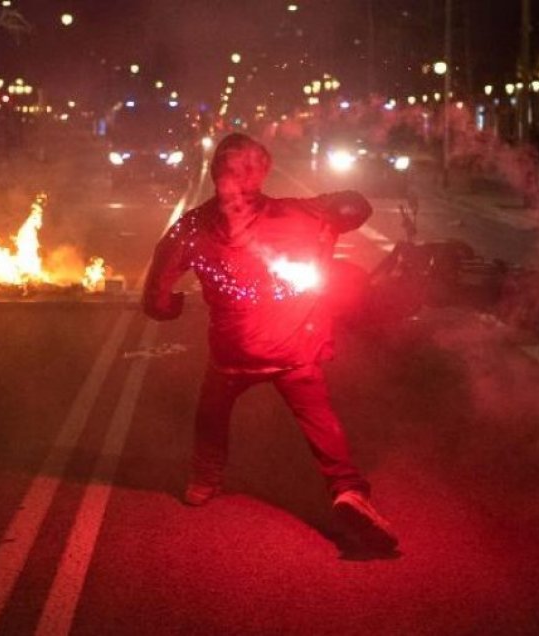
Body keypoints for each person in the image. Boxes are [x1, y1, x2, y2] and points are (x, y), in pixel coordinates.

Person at [142, 133, 397, 552]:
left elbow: (155, 300)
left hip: (231, 354)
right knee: (319, 418)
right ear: (262, 173)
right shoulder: (301, 213)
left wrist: (172, 308)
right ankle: (348, 490)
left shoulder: (191, 227)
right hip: (294, 350)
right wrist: (333, 202)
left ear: (213, 173)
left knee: (212, 412)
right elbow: (357, 207)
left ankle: (203, 481)